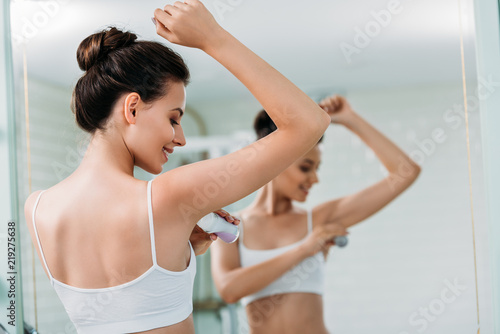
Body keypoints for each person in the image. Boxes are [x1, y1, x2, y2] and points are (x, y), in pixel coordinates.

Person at [23, 1, 331, 334]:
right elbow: (309, 123)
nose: (180, 138)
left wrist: (177, 252)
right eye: (174, 118)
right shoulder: (168, 196)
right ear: (133, 108)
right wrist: (212, 37)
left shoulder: (37, 207)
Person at [210, 95, 421, 334]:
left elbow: (405, 173)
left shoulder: (319, 219)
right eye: (305, 167)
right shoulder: (232, 225)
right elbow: (229, 289)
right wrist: (304, 248)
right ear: (275, 159)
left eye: (316, 168)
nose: (315, 179)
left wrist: (350, 118)